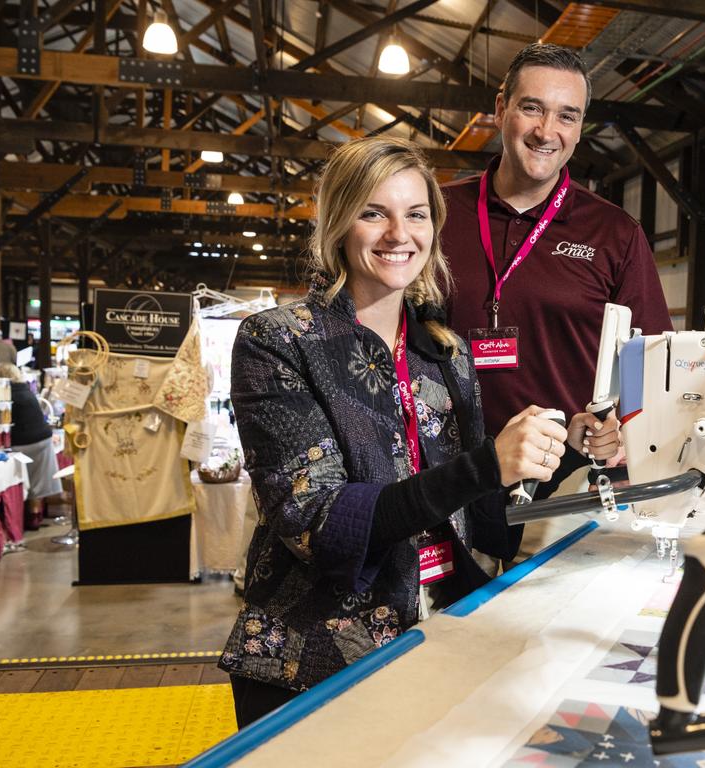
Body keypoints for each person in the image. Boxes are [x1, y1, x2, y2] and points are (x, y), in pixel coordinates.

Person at [219, 137, 619, 728]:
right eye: (372, 212)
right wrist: (488, 463)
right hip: (316, 659)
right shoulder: (278, 341)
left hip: (437, 630)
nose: (397, 234)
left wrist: (560, 453)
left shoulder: (442, 351)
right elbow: (316, 520)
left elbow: (477, 509)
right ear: (337, 224)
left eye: (416, 214)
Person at [441, 43, 673, 441]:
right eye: (532, 108)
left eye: (567, 116)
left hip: (562, 477)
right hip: (443, 474)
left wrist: (621, 430)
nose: (546, 132)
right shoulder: (435, 213)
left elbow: (652, 360)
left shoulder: (615, 233)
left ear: (580, 128)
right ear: (500, 109)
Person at [0, 364, 62, 529]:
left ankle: (20, 519)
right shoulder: (27, 391)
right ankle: (35, 515)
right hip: (42, 440)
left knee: (21, 480)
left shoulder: (3, 393)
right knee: (37, 481)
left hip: (21, 444)